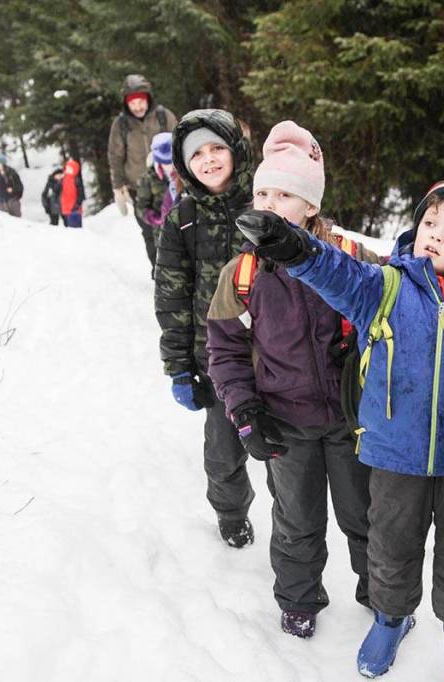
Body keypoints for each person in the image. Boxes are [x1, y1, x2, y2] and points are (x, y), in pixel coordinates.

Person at [236, 180, 444, 680]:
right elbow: (333, 271)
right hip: (393, 452)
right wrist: (295, 247)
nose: (434, 235)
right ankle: (391, 617)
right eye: (428, 223)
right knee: (389, 546)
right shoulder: (386, 286)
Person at [207, 121, 377, 640]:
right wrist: (245, 412)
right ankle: (299, 600)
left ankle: (382, 595)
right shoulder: (243, 273)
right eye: (262, 192)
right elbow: (225, 349)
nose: (270, 203)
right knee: (297, 521)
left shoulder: (350, 258)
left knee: (365, 517)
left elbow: (393, 312)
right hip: (285, 423)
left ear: (310, 205)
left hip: (352, 422)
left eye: (284, 193)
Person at [154, 109, 257, 549]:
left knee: (287, 459)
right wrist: (179, 366)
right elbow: (171, 298)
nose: (210, 159)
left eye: (218, 148)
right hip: (215, 360)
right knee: (222, 453)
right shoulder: (183, 219)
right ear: (184, 164)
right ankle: (232, 515)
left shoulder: (265, 204)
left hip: (277, 358)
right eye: (198, 153)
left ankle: (296, 529)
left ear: (235, 151)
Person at [107, 74, 177, 218]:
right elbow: (116, 156)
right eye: (133, 103)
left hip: (167, 183)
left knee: (171, 229)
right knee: (148, 230)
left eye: (141, 102)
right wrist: (118, 187)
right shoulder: (121, 125)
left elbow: (180, 144)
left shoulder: (163, 117)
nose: (137, 107)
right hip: (137, 187)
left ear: (148, 99)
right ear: (126, 104)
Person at [135, 132, 183, 267]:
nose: (169, 167)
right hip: (162, 232)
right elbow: (141, 206)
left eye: (171, 162)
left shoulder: (186, 173)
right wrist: (152, 218)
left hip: (185, 228)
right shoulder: (149, 178)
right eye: (165, 163)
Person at [59, 158, 85, 228]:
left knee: (76, 230)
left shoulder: (76, 180)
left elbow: (81, 194)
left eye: (70, 169)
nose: (68, 170)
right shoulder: (62, 180)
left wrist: (77, 204)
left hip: (75, 209)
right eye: (67, 168)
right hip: (66, 209)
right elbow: (57, 190)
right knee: (70, 231)